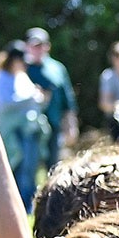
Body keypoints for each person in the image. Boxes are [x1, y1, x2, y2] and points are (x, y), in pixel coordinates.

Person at [0, 41, 48, 208]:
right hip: (10, 131)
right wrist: (30, 98)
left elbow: (35, 100)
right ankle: (10, 204)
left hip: (29, 130)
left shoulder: (21, 76)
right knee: (12, 167)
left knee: (29, 169)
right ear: (13, 59)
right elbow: (4, 103)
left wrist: (39, 97)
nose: (24, 65)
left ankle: (26, 205)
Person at [24, 27, 78, 168]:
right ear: (27, 46)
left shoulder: (57, 68)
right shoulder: (21, 67)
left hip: (54, 124)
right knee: (27, 170)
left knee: (53, 166)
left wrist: (71, 125)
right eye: (34, 46)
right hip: (28, 127)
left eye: (41, 45)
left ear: (47, 46)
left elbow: (68, 100)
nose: (38, 49)